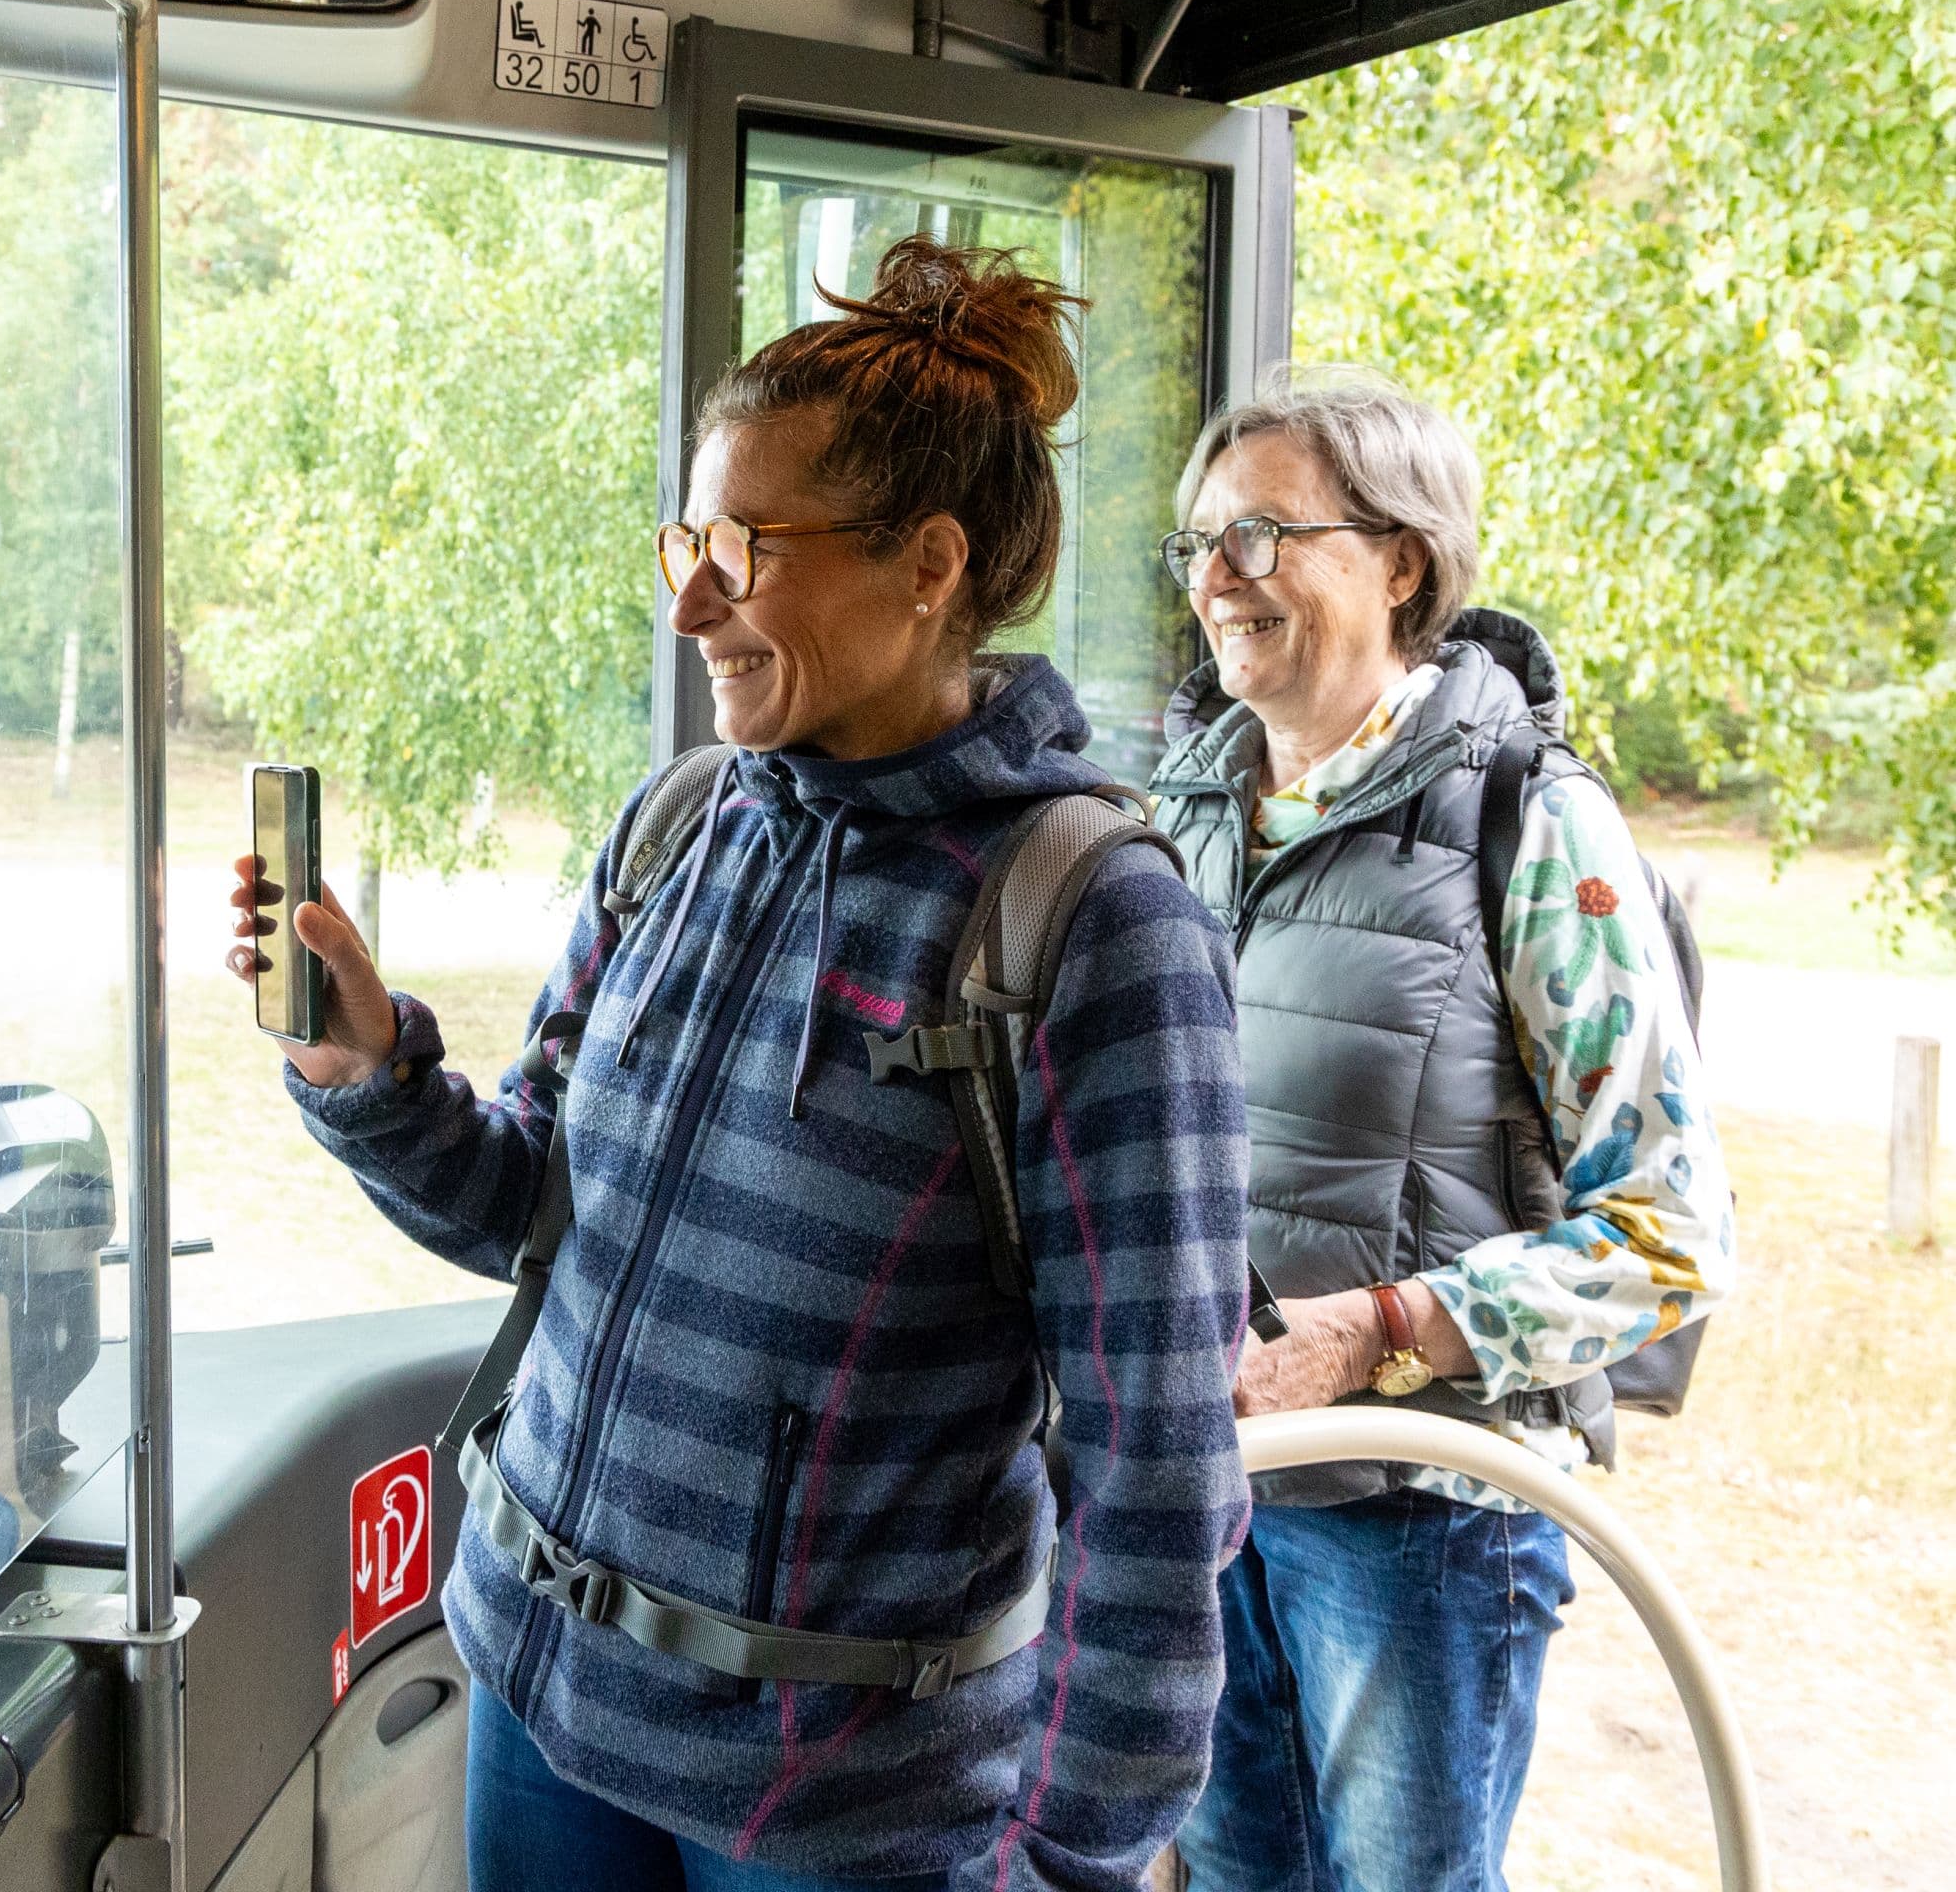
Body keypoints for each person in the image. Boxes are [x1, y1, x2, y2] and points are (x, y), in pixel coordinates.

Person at [227, 239, 1251, 1892]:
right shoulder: (680, 827)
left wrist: (1066, 1867)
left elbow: (1158, 1473)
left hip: (841, 1815)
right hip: (544, 1715)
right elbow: (536, 1213)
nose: (690, 598)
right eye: (689, 538)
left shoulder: (1093, 925)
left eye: (747, 549)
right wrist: (371, 1075)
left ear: (930, 565)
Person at [1146, 368, 1735, 1892]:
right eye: (1201, 543)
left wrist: (1378, 1336)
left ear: (1403, 562)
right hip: (1204, 1499)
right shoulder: (1185, 815)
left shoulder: (1532, 822)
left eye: (1265, 533)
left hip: (1419, 1527)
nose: (1217, 578)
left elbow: (1673, 1236)